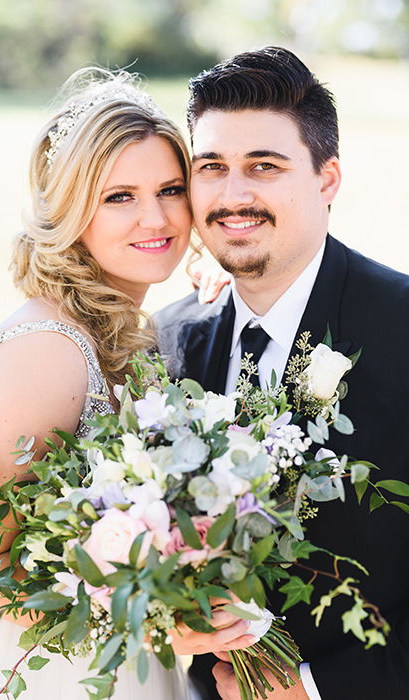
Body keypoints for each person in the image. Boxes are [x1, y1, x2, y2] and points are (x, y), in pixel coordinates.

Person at [0, 68, 254, 699]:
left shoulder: (125, 335)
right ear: (69, 208)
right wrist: (138, 625)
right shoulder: (46, 351)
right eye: (119, 197)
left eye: (171, 189)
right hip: (42, 674)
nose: (155, 217)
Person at [155, 47, 409, 699]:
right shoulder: (168, 340)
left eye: (263, 167)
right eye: (211, 167)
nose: (233, 195)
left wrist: (312, 688)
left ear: (326, 180)